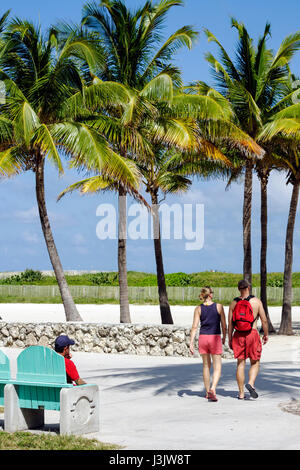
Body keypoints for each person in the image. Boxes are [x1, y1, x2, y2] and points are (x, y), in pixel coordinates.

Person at [228, 280, 269, 400]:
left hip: (238, 335)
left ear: (238, 289)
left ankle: (241, 393)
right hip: (252, 333)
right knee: (255, 362)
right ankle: (250, 383)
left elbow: (230, 324)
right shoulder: (256, 302)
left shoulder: (233, 303)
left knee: (240, 364)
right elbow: (264, 320)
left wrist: (230, 338)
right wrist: (265, 334)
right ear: (249, 288)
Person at [190, 286, 227, 402]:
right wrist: (224, 337)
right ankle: (213, 388)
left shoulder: (198, 309)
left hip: (203, 338)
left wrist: (191, 342)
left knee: (206, 366)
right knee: (217, 366)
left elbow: (194, 327)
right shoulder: (219, 306)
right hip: (214, 337)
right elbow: (224, 325)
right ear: (210, 294)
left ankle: (207, 392)